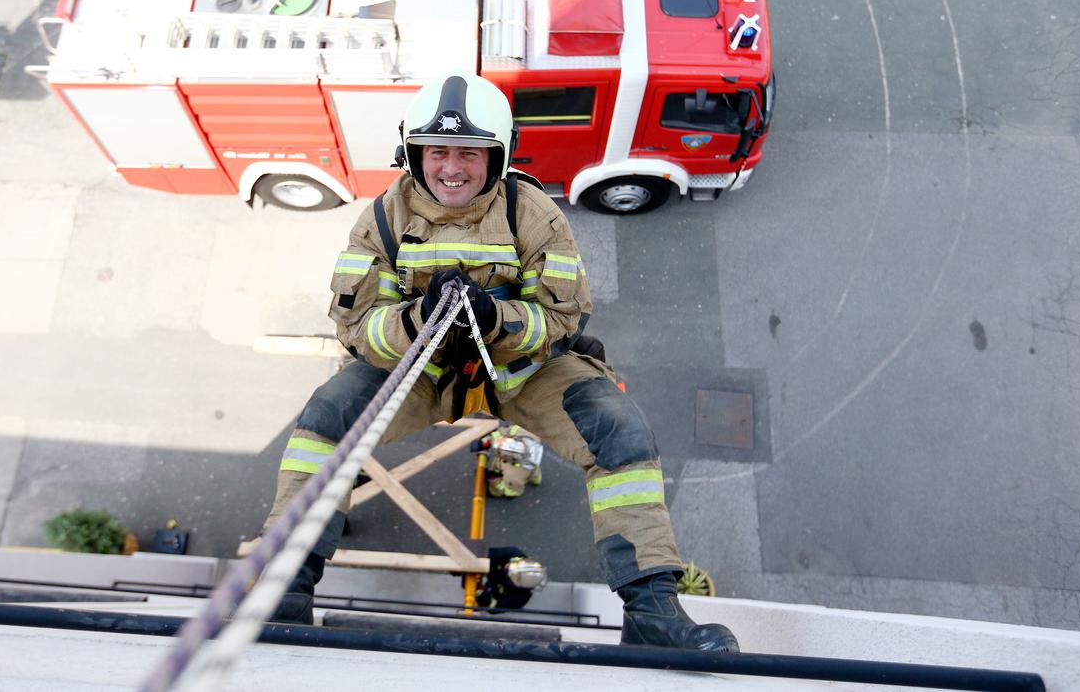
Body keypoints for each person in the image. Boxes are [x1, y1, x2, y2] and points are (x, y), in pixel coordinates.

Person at [262, 71, 738, 652]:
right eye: (438, 152)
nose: (452, 168)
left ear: (500, 155)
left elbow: (562, 318)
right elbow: (357, 328)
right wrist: (416, 322)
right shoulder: (382, 221)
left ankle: (651, 607)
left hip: (522, 374)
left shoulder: (534, 215)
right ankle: (286, 585)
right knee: (327, 418)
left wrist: (498, 321)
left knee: (619, 431)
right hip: (424, 374)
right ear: (414, 153)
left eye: (471, 152)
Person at [480, 423, 544, 498]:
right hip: (530, 466)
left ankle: (495, 491)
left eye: (500, 452)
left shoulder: (513, 476)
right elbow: (504, 432)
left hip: (518, 473)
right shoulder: (524, 433)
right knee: (534, 472)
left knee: (508, 486)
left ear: (509, 457)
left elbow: (511, 484)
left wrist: (492, 490)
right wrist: (488, 440)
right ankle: (536, 479)